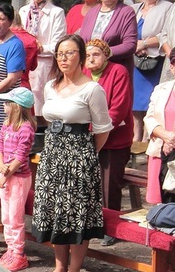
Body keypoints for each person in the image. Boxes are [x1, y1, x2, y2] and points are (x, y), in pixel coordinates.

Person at [32, 34, 112, 272]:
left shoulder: (92, 89)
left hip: (78, 157)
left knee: (77, 215)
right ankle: (59, 267)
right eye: (60, 53)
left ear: (81, 57)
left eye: (70, 53)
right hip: (52, 154)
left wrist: (85, 155)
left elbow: (102, 129)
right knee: (56, 211)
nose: (64, 58)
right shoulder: (50, 86)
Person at [83, 38, 133, 246]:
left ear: (106, 55)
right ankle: (93, 223)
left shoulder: (118, 71)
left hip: (114, 138)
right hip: (87, 135)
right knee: (89, 182)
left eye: (96, 54)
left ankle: (112, 228)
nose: (91, 58)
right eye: (87, 55)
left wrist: (96, 129)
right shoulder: (83, 74)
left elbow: (119, 108)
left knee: (109, 183)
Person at [0, 87, 37, 272]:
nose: (4, 105)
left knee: (15, 216)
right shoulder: (6, 125)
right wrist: (1, 169)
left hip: (18, 178)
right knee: (6, 216)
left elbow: (21, 157)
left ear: (16, 107)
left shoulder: (26, 128)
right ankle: (10, 248)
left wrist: (6, 174)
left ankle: (19, 253)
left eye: (7, 103)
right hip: (6, 176)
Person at [19, 0, 66, 123]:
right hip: (24, 64)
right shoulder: (23, 11)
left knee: (42, 109)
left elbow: (58, 45)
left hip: (44, 66)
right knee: (23, 108)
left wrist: (34, 47)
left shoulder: (56, 12)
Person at [131, 0, 169, 142]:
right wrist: (135, 46)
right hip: (135, 61)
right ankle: (136, 139)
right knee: (135, 103)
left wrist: (144, 44)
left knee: (151, 101)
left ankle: (148, 139)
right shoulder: (134, 8)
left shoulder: (168, 7)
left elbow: (166, 33)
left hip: (155, 61)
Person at [143, 51, 175, 204]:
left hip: (172, 150)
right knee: (159, 205)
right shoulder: (160, 89)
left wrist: (172, 140)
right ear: (172, 67)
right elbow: (149, 118)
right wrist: (166, 136)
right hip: (158, 151)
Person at [79, 0, 137, 77]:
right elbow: (81, 41)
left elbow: (130, 45)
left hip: (113, 73)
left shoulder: (126, 12)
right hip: (89, 71)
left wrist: (104, 53)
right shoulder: (91, 12)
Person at [10, 13, 39, 91]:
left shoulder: (5, 38)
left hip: (6, 87)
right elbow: (33, 67)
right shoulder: (32, 39)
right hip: (24, 87)